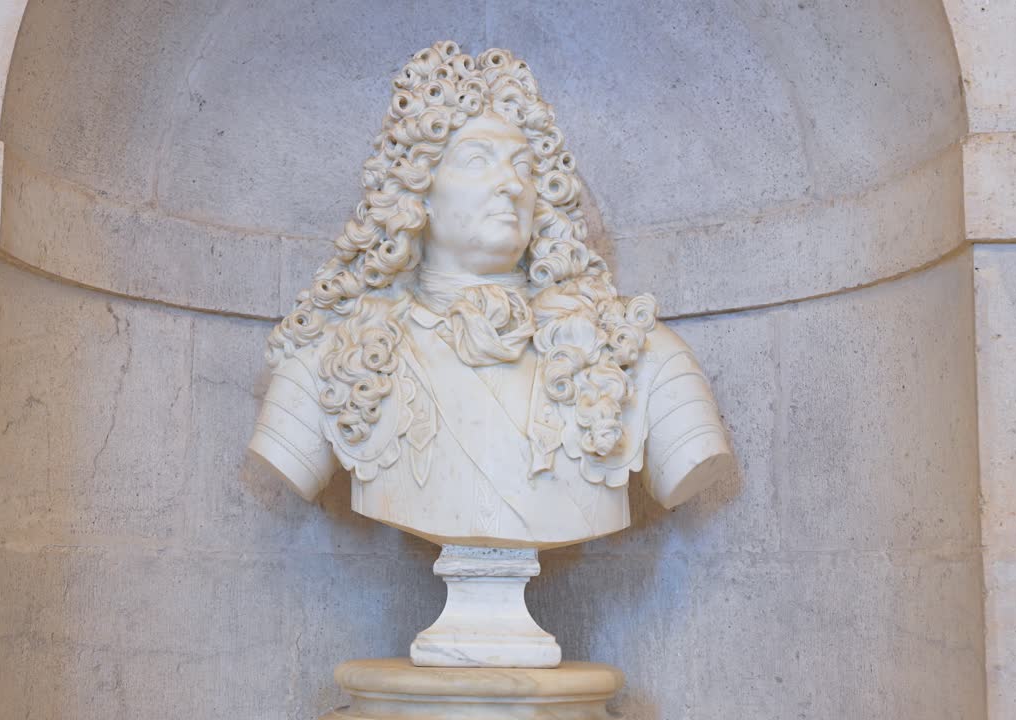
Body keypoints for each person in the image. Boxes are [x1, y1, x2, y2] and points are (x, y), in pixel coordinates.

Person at [249, 42, 732, 549]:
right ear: (417, 191)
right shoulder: (331, 362)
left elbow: (689, 457)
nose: (511, 185)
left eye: (523, 166)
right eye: (478, 159)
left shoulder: (641, 357)